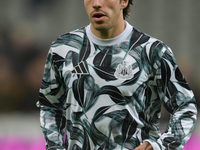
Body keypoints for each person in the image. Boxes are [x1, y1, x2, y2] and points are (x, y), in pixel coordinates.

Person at [37, 0, 197, 149]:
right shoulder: (62, 49)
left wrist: (161, 145)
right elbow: (50, 105)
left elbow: (185, 107)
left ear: (124, 1)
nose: (97, 4)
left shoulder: (152, 51)